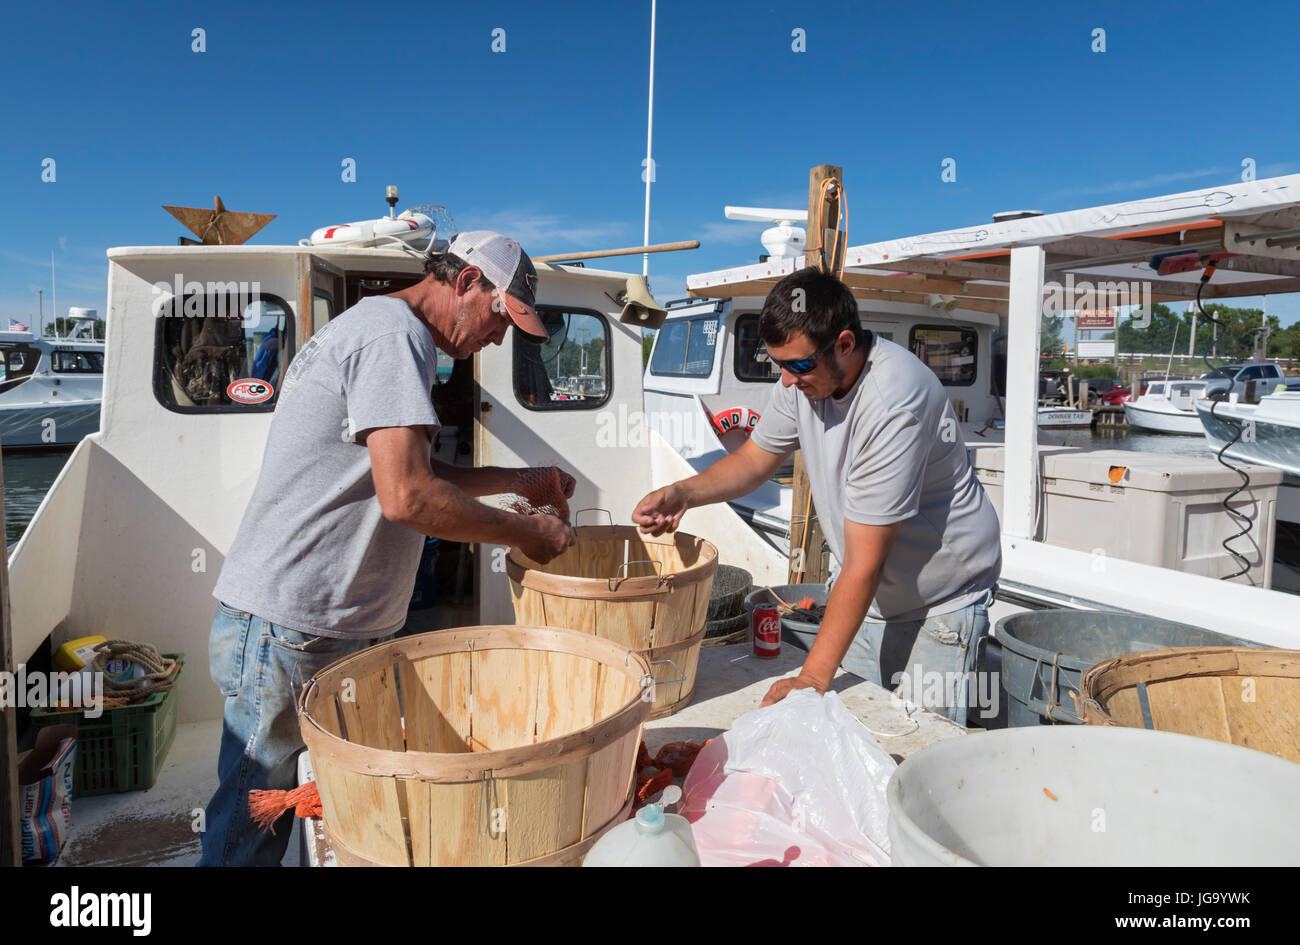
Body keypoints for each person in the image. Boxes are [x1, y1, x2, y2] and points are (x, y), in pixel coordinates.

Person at [200, 231, 576, 866]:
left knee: (292, 811)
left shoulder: (392, 335)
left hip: (318, 623)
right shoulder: (391, 337)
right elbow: (407, 497)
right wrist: (527, 531)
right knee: (249, 828)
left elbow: (410, 474)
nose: (499, 337)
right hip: (290, 623)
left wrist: (519, 483)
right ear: (464, 284)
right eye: (499, 317)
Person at [632, 268, 1001, 724]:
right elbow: (753, 461)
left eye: (799, 365)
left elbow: (866, 563)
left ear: (844, 344)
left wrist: (811, 679)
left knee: (916, 749)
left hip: (940, 602)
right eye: (778, 365)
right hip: (871, 597)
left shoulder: (894, 402)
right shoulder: (801, 382)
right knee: (855, 738)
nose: (786, 381)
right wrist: (683, 493)